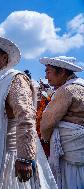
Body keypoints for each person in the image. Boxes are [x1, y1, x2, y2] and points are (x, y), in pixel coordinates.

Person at [0, 36, 57, 188]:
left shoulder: (15, 79)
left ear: (4, 57)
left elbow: (25, 117)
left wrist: (25, 157)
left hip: (8, 154)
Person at [39, 56, 84, 189]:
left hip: (70, 157)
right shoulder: (81, 87)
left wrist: (45, 139)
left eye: (48, 71)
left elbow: (48, 123)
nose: (46, 77)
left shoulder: (67, 90)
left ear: (63, 72)